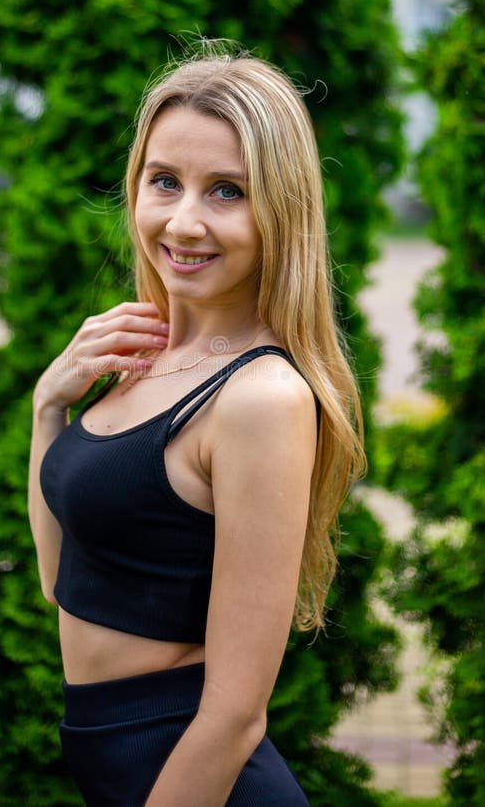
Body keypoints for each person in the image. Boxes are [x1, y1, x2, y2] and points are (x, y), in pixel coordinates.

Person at [29, 45, 366, 806]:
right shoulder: (144, 355)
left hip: (194, 776)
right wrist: (49, 407)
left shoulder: (261, 397)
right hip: (110, 756)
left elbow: (235, 715)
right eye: (165, 182)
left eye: (226, 191)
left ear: (280, 209)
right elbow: (63, 584)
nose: (184, 222)